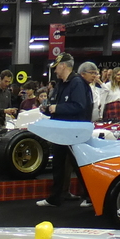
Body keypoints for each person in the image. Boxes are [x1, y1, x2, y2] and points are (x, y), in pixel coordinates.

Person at [36, 53, 88, 209]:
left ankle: (91, 196)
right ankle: (55, 197)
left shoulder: (77, 82)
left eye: (56, 67)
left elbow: (79, 106)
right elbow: (54, 104)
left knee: (79, 165)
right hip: (60, 131)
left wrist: (57, 108)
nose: (55, 71)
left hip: (73, 131)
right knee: (58, 165)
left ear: (63, 66)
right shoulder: (60, 84)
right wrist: (47, 109)